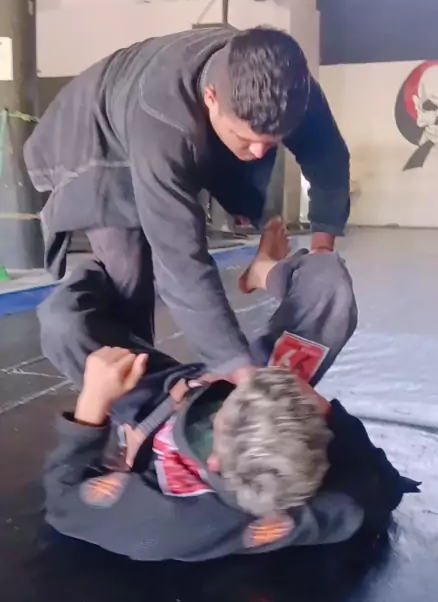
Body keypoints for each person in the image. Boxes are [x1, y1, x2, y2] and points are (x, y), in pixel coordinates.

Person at [40, 220, 419, 562]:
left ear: (214, 462)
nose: (219, 390)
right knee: (328, 284)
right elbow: (382, 488)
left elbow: (62, 503)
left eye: (216, 413)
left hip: (149, 406)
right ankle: (264, 270)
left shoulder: (167, 520)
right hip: (263, 383)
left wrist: (92, 408)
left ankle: (108, 266)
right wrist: (318, 406)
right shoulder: (310, 501)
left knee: (62, 324)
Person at [25, 26, 350, 384]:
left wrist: (322, 250)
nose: (259, 152)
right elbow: (180, 261)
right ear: (211, 98)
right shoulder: (162, 119)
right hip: (97, 135)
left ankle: (262, 273)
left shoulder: (293, 89)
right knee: (129, 273)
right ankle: (141, 389)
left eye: (271, 142)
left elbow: (329, 159)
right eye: (245, 138)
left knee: (326, 276)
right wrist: (234, 367)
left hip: (180, 122)